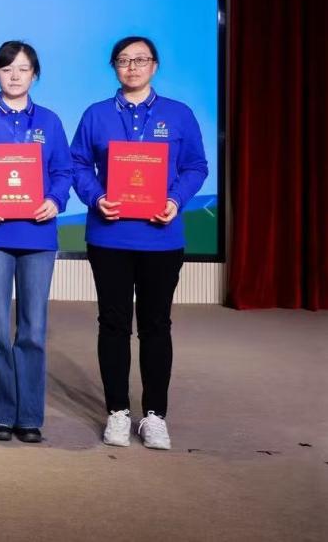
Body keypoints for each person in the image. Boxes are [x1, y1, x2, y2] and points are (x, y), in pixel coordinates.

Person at [71, 36, 208, 450]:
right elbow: (78, 164)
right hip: (109, 235)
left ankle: (154, 415)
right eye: (123, 60)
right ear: (114, 67)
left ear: (155, 65)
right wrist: (96, 197)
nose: (132, 67)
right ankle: (117, 410)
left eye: (140, 59)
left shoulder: (178, 114)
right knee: (113, 323)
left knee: (156, 324)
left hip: (161, 237)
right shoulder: (96, 114)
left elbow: (196, 166)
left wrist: (175, 200)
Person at [0, 41, 71, 443]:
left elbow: (63, 172)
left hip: (38, 234)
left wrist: (55, 200)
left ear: (35, 74)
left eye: (23, 68)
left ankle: (29, 415)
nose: (15, 76)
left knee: (34, 329)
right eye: (7, 69)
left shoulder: (50, 121)